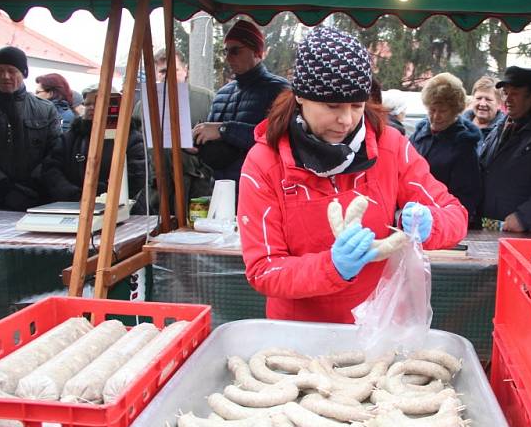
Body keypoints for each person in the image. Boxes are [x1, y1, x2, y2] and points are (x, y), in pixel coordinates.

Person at [237, 27, 468, 324]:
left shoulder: (390, 147)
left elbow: (455, 215)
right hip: (298, 331)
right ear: (300, 97)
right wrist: (331, 266)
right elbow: (263, 269)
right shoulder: (264, 164)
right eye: (332, 106)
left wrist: (431, 224)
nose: (346, 120)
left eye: (357, 105)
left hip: (377, 326)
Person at [192, 19, 288, 196]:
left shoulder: (279, 89)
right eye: (226, 51)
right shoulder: (222, 93)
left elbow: (281, 137)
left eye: (235, 51)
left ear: (256, 52)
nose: (228, 57)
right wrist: (196, 144)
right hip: (221, 191)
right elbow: (214, 143)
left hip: (262, 191)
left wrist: (224, 129)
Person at [478, 66, 531, 233]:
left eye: (515, 93)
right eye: (505, 92)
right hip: (491, 229)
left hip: (528, 234)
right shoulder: (501, 126)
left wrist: (524, 218)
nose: (508, 99)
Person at [134, 48, 216, 214]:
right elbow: (135, 144)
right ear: (157, 74)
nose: (168, 75)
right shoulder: (143, 106)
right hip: (158, 187)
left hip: (197, 186)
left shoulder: (207, 99)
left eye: (174, 70)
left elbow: (220, 144)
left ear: (185, 71)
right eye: (163, 71)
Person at [42, 87, 147, 213]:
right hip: (72, 207)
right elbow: (51, 169)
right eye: (87, 104)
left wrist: (98, 195)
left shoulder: (131, 138)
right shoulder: (70, 137)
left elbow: (136, 176)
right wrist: (73, 195)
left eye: (97, 103)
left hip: (119, 210)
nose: (91, 107)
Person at [0, 46, 60, 211]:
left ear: (24, 73)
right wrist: (1, 185)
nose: (5, 76)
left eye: (12, 71)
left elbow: (54, 151)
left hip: (35, 196)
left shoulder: (45, 109)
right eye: (0, 70)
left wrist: (34, 182)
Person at [410, 72, 481, 223]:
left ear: (455, 111)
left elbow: (466, 197)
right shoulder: (418, 136)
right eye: (432, 110)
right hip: (411, 214)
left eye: (442, 111)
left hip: (442, 220)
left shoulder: (464, 146)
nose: (436, 116)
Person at [462, 76, 505, 146]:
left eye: (488, 99)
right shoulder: (458, 125)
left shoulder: (504, 131)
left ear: (499, 103)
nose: (482, 104)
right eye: (478, 98)